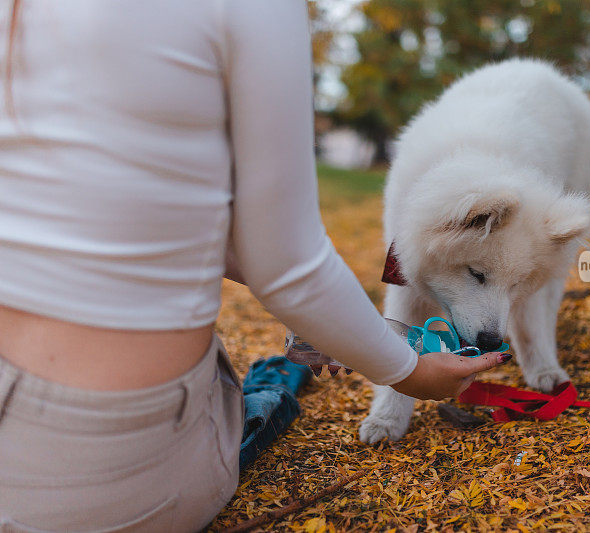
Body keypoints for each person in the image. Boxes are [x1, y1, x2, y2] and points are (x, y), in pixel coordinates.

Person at [0, 1, 507, 530]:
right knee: (256, 397)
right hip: (105, 478)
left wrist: (330, 325)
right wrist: (412, 371)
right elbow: (290, 270)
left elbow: (105, 208)